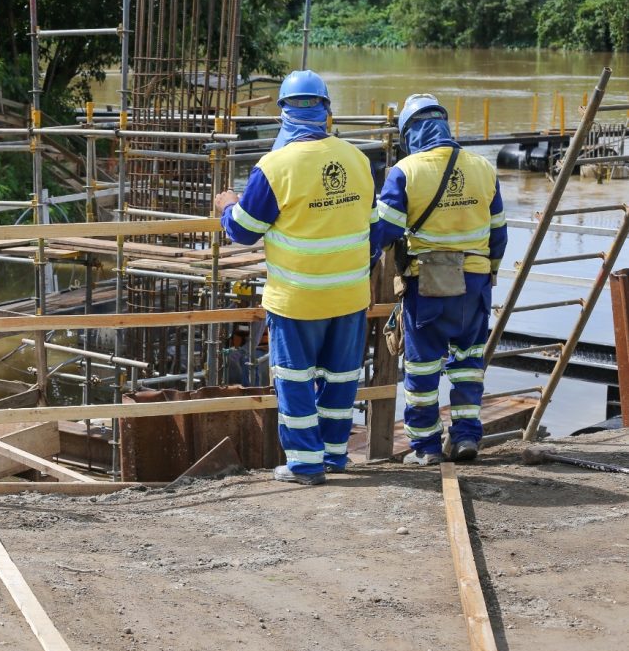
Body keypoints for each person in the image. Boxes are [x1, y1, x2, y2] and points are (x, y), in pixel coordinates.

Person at [214, 70, 379, 485]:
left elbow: (243, 232)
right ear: (326, 111)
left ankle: (305, 463)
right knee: (341, 379)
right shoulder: (358, 160)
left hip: (298, 298)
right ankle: (335, 455)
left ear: (283, 113)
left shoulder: (275, 166)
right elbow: (374, 229)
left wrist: (227, 205)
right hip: (349, 295)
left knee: (295, 380)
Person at [375, 93, 507, 466]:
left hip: (428, 285)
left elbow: (384, 231)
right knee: (468, 364)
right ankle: (465, 437)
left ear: (409, 133)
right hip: (475, 284)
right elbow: (499, 233)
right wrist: (491, 272)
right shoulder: (483, 168)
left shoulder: (406, 171)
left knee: (422, 368)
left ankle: (427, 447)